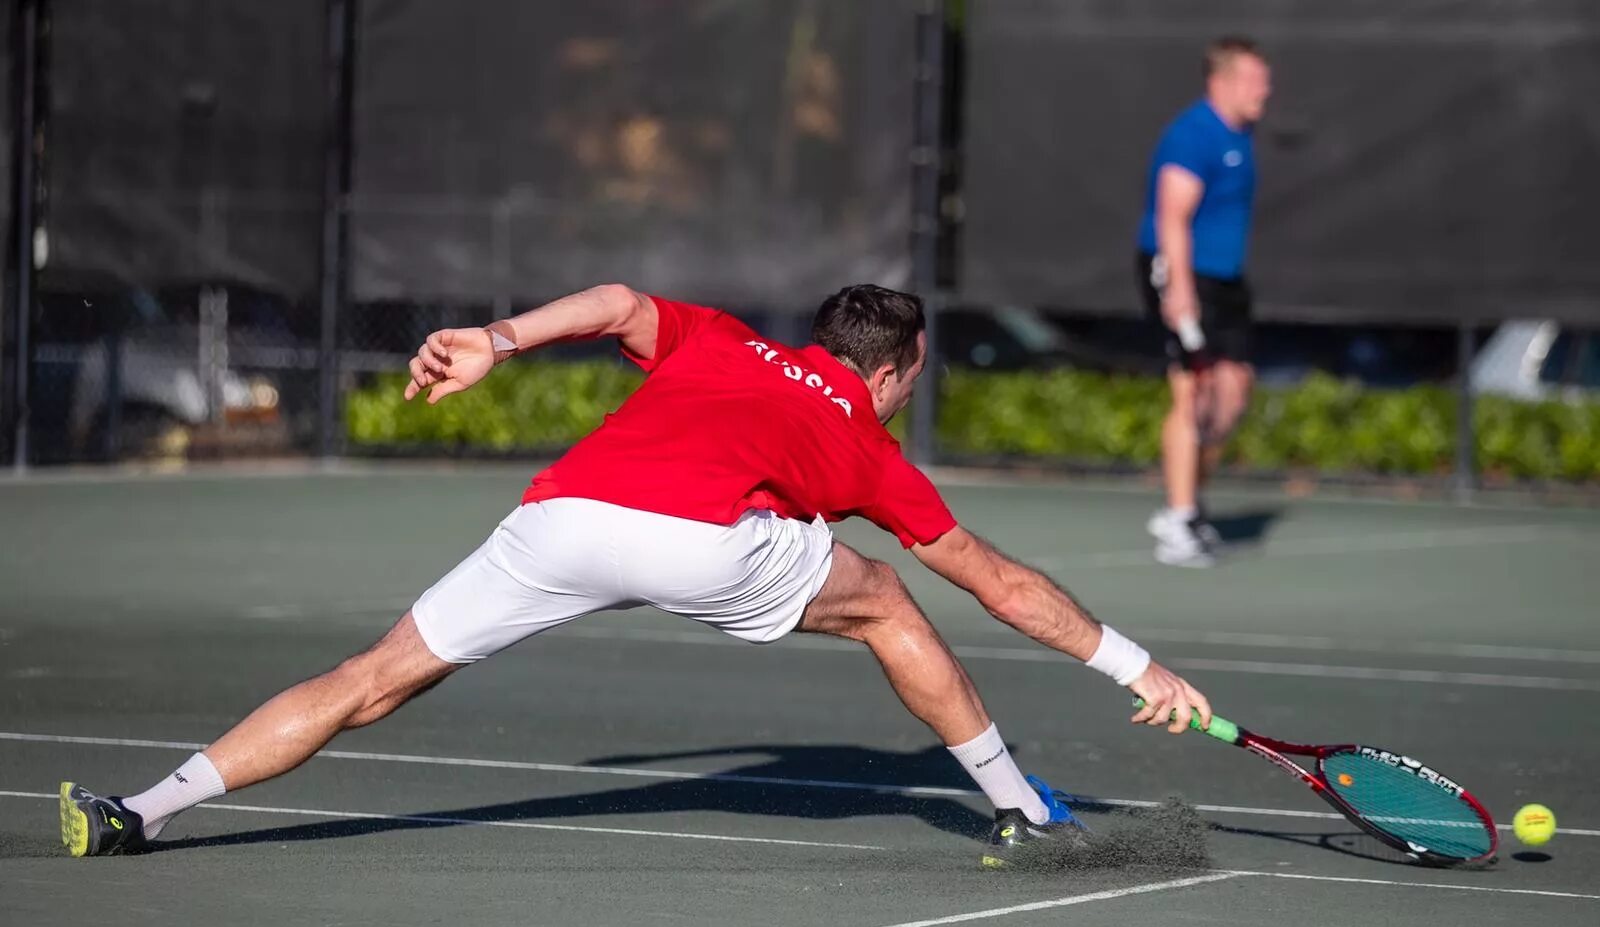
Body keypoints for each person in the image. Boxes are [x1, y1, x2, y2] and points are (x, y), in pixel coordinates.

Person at [60, 284, 1211, 868]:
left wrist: (496, 341)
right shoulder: (867, 440)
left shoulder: (722, 339)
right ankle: (1019, 809)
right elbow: (1001, 586)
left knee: (372, 676)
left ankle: (138, 810)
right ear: (897, 368)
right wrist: (1138, 662)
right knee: (888, 600)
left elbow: (614, 301)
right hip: (697, 538)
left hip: (560, 515)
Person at [1137, 37, 1273, 566]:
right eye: (1253, 80)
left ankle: (1187, 500)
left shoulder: (1241, 132)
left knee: (1232, 391)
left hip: (1226, 280)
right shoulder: (1193, 136)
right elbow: (1171, 214)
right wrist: (1180, 292)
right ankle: (1179, 519)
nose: (1265, 90)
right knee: (1192, 389)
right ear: (1220, 82)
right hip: (1183, 274)